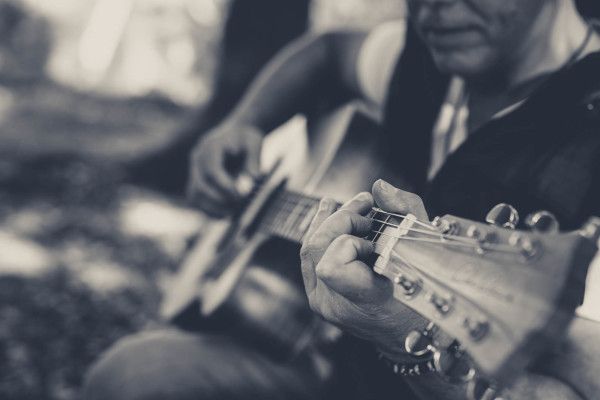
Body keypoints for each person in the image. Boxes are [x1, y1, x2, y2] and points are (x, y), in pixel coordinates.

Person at [84, 0, 600, 398]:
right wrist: (242, 124)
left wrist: (404, 337)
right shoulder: (425, 60)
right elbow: (327, 52)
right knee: (131, 375)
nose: (433, 11)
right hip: (323, 359)